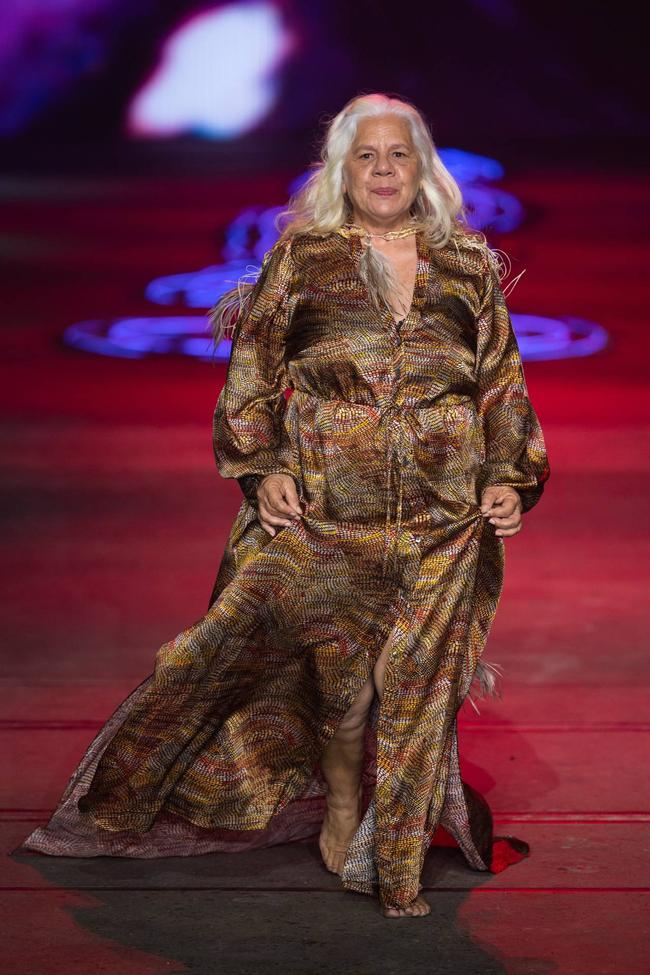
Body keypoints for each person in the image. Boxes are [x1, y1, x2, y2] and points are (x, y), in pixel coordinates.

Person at [17, 92, 550, 919]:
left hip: (443, 520)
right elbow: (253, 378)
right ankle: (334, 800)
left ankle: (393, 863)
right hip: (325, 515)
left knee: (410, 682)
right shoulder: (305, 262)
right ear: (343, 171)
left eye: (398, 154)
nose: (383, 169)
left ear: (423, 168)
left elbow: (502, 386)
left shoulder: (470, 267)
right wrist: (260, 464)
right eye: (366, 155)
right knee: (331, 688)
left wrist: (511, 477)